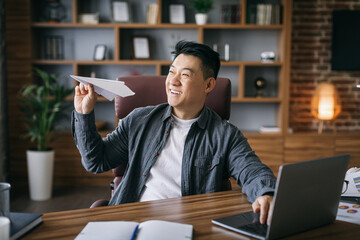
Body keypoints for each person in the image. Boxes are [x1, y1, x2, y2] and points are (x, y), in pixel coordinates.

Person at [72, 41, 276, 225]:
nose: (173, 81)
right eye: (171, 72)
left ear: (209, 84)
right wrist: (84, 113)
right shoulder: (139, 120)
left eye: (185, 75)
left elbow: (252, 171)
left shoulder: (225, 135)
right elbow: (95, 161)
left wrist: (266, 193)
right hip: (132, 220)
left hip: (186, 225)